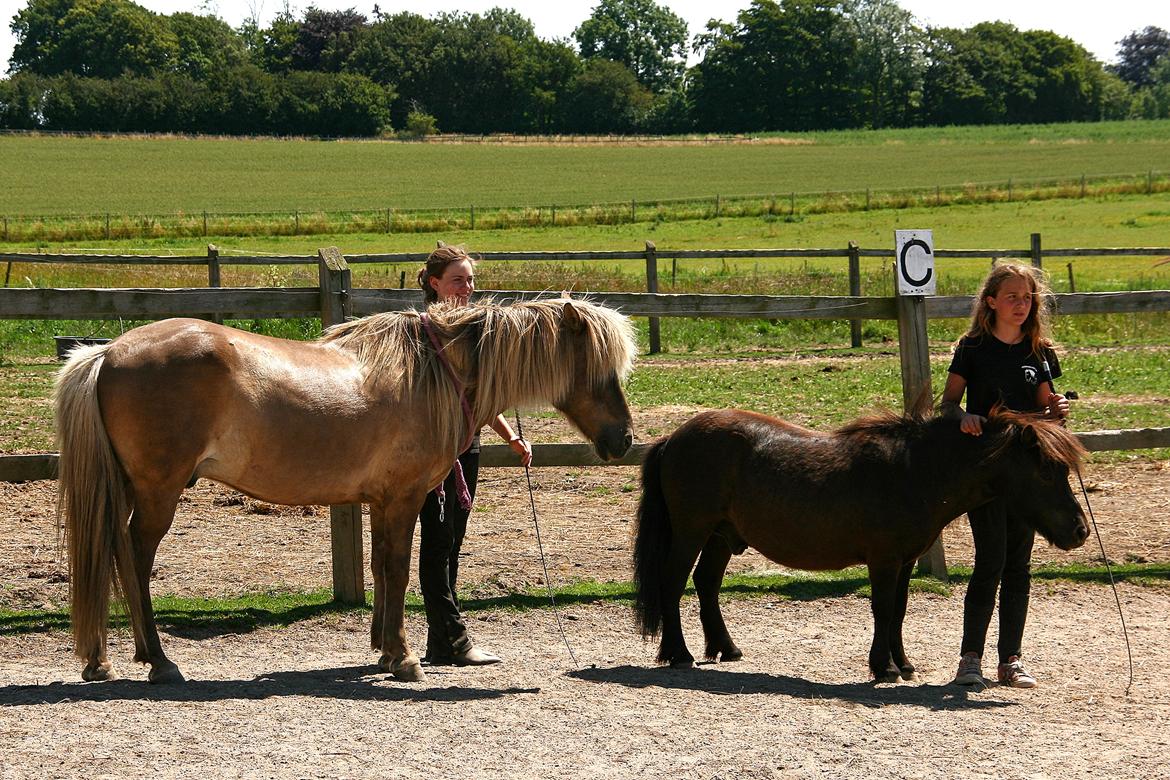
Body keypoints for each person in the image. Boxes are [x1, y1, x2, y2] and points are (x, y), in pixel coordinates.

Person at [939, 262, 1071, 689]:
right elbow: (948, 405)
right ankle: (970, 659)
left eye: (1027, 297)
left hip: (1026, 479)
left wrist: (1057, 411)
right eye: (1011, 296)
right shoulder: (972, 347)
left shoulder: (1039, 351)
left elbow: (1048, 406)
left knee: (1019, 564)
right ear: (991, 301)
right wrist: (965, 417)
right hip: (987, 475)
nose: (1021, 304)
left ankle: (1010, 660)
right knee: (989, 560)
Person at [416, 244, 532, 667]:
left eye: (470, 280)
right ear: (435, 284)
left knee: (452, 542)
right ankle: (455, 639)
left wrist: (510, 438)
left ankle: (439, 641)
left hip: (468, 446)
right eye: (457, 280)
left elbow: (478, 400)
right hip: (435, 449)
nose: (467, 288)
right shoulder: (424, 331)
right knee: (439, 540)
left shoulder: (471, 331)